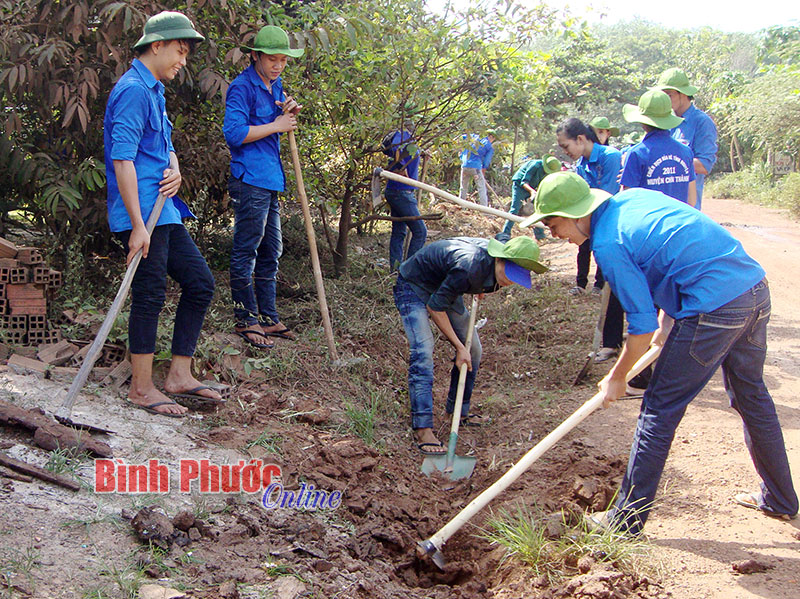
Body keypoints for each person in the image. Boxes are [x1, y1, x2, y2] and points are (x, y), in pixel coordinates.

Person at [526, 171, 798, 534]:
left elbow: (640, 328)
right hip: (752, 290)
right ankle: (780, 499)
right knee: (752, 396)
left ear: (578, 213)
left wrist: (617, 376)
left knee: (658, 409)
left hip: (714, 308)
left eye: (553, 223)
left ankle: (624, 521)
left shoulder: (608, 243)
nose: (553, 233)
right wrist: (667, 324)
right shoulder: (631, 200)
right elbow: (676, 253)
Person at [104, 11, 221, 416]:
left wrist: (175, 166)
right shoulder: (133, 90)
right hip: (141, 215)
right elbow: (123, 161)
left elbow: (161, 146)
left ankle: (178, 376)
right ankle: (140, 388)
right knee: (150, 294)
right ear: (157, 46)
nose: (182, 61)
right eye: (180, 51)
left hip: (164, 210)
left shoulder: (154, 90)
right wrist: (137, 226)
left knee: (200, 283)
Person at [394, 236, 546, 454]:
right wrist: (458, 347)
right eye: (508, 274)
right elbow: (435, 307)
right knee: (423, 352)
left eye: (517, 278)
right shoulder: (470, 267)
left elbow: (458, 282)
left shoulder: (488, 268)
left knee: (474, 350)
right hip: (414, 286)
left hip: (446, 286)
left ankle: (458, 411)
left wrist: (478, 286)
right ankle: (423, 428)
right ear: (500, 259)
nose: (510, 281)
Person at [223, 25, 304, 349]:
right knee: (247, 249)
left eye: (283, 60)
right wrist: (277, 125)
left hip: (270, 177)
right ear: (255, 55)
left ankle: (268, 317)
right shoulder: (241, 87)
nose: (278, 66)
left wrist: (287, 110)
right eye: (272, 59)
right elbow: (234, 134)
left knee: (272, 248)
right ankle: (246, 318)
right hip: (250, 178)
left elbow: (277, 117)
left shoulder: (275, 84)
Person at [556, 117, 623, 362]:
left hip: (615, 227)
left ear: (581, 139)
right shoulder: (582, 165)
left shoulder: (610, 156)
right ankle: (612, 342)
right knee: (611, 287)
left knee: (619, 284)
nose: (566, 152)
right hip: (595, 225)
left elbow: (605, 196)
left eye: (566, 146)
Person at [620, 88, 697, 205]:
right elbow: (691, 200)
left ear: (642, 122)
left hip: (649, 222)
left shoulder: (637, 153)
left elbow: (627, 200)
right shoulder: (685, 151)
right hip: (679, 221)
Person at [656, 67, 718, 210]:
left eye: (669, 95)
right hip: (661, 206)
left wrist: (665, 160)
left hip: (686, 207)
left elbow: (704, 165)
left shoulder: (702, 123)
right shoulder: (662, 122)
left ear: (683, 94)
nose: (665, 100)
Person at [382, 128, 426, 270]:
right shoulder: (403, 134)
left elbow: (407, 153)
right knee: (420, 231)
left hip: (398, 190)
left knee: (399, 232)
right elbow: (395, 149)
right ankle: (409, 271)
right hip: (400, 192)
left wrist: (421, 153)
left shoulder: (411, 139)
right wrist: (401, 167)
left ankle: (396, 270)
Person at [496, 154, 561, 243]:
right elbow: (524, 182)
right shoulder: (535, 165)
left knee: (539, 209)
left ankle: (540, 236)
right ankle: (505, 234)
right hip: (519, 186)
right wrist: (531, 192)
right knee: (515, 209)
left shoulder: (547, 173)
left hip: (533, 188)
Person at [458, 132, 496, 207]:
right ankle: (484, 210)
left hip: (465, 165)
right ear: (491, 137)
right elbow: (486, 161)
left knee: (463, 187)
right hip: (476, 168)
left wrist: (460, 152)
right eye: (493, 139)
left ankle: (460, 206)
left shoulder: (475, 137)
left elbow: (461, 137)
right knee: (481, 188)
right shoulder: (489, 147)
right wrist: (483, 170)